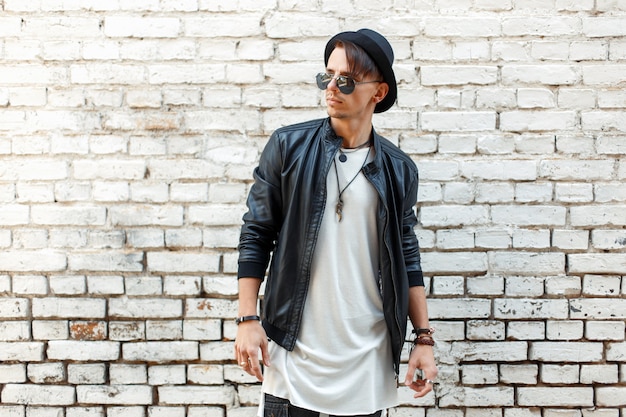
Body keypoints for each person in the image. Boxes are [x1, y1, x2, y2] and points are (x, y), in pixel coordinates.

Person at [235, 28, 438, 417]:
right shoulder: (287, 147)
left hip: (367, 352)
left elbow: (407, 257)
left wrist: (423, 339)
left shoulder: (398, 170)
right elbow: (256, 233)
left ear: (378, 93)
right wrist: (247, 318)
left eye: (346, 80)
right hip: (294, 349)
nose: (332, 87)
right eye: (327, 76)